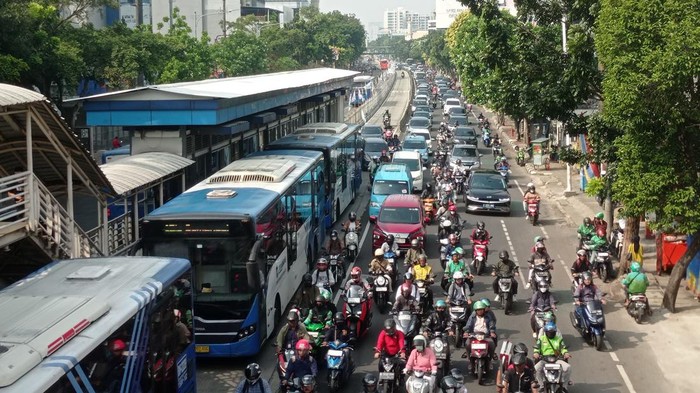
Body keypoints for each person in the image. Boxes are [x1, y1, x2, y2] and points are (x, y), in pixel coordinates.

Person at [533, 323, 571, 388]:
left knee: (568, 367)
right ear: (546, 332)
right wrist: (536, 353)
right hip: (544, 359)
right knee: (536, 368)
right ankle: (541, 385)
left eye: (552, 332)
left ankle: (564, 386)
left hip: (557, 359)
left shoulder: (558, 339)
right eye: (549, 332)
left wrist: (565, 353)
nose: (551, 334)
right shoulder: (541, 339)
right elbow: (537, 348)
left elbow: (563, 348)